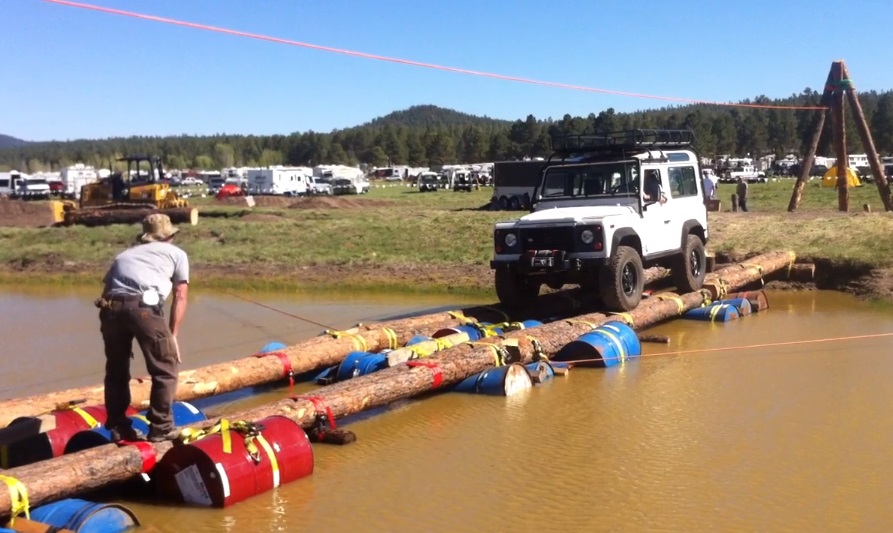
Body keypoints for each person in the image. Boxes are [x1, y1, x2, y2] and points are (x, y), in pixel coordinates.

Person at [96, 213, 189, 443]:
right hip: (144, 310)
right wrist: (172, 335)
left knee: (116, 372)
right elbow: (180, 295)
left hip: (110, 309)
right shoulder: (177, 254)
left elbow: (107, 289)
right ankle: (161, 428)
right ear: (169, 236)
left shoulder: (124, 255)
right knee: (165, 369)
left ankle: (119, 428)